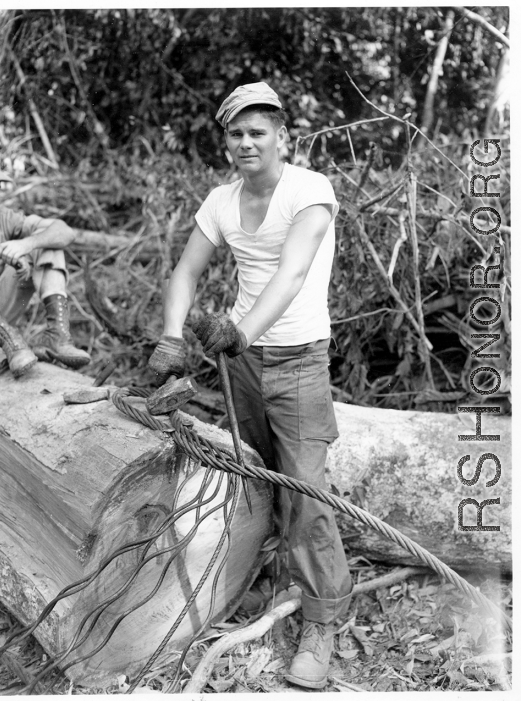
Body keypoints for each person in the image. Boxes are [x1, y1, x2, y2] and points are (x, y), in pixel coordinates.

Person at [147, 82, 352, 689]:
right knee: (253, 474)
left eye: (257, 132)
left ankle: (322, 619)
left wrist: (240, 330)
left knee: (305, 490)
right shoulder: (221, 201)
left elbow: (291, 275)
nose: (245, 143)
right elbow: (186, 271)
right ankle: (264, 575)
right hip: (241, 365)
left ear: (282, 137)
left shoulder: (309, 190)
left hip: (297, 360)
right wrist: (171, 336)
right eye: (235, 133)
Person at [0, 146, 90, 376]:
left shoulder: (0, 216)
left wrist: (26, 245)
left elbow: (64, 231)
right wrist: (2, 250)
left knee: (47, 244)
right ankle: (10, 340)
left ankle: (57, 335)